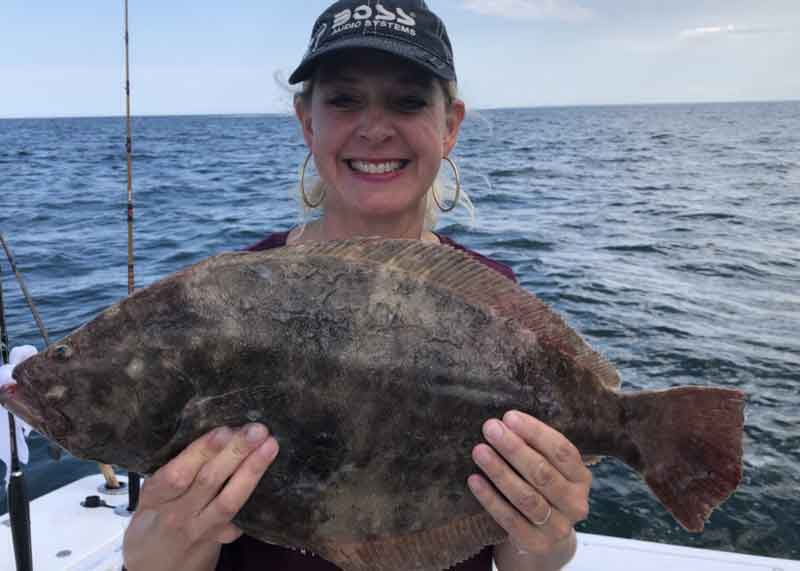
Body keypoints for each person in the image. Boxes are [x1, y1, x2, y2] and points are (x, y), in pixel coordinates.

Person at [122, 1, 591, 570]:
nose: (374, 128)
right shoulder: (226, 300)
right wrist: (161, 542)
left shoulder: (493, 298)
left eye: (407, 101)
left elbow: (524, 559)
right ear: (307, 121)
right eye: (344, 100)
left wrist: (547, 530)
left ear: (450, 126)